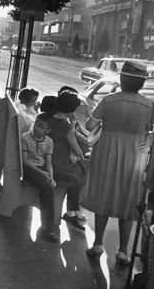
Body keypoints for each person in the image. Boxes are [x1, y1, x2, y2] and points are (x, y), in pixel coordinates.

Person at [83, 61, 154, 265]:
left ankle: (97, 243)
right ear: (142, 83)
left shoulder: (109, 100)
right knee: (129, 199)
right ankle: (123, 251)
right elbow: (152, 131)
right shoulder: (149, 105)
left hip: (107, 150)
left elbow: (90, 125)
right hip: (135, 154)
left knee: (103, 193)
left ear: (121, 80)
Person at [46, 91, 89, 232]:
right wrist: (81, 154)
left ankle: (72, 211)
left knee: (79, 171)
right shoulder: (64, 125)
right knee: (82, 171)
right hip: (55, 166)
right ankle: (73, 211)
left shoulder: (49, 119)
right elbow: (73, 143)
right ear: (71, 110)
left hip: (51, 161)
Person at [20, 112, 58, 242]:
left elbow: (48, 162)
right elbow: (25, 161)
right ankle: (47, 228)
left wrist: (51, 177)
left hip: (42, 169)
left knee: (50, 186)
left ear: (48, 130)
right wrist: (44, 175)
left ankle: (47, 226)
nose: (37, 127)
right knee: (47, 189)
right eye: (37, 124)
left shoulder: (49, 141)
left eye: (41, 126)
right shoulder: (25, 137)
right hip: (29, 169)